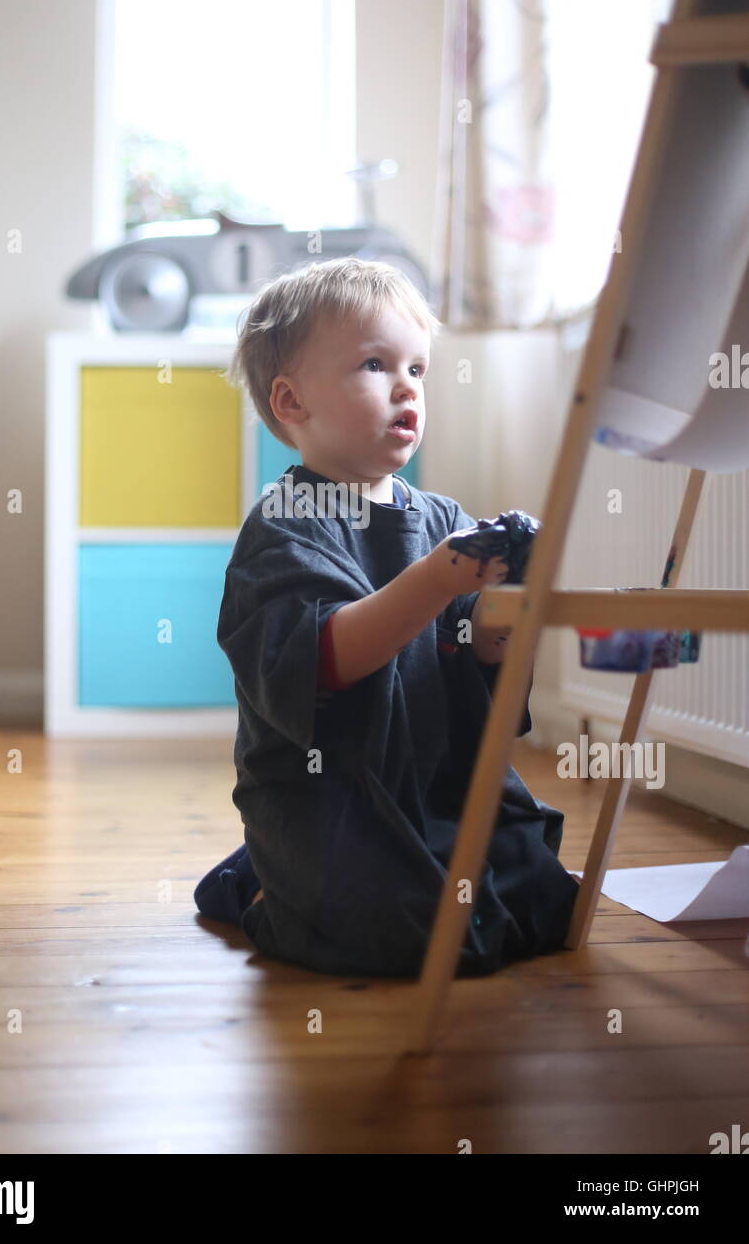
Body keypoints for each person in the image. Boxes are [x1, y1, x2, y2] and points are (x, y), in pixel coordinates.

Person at [193, 257, 579, 978]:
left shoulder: (443, 520)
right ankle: (261, 882)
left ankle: (279, 875)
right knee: (407, 933)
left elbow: (478, 664)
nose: (407, 387)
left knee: (543, 902)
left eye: (418, 369)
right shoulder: (284, 523)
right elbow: (323, 660)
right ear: (291, 402)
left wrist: (506, 607)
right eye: (375, 365)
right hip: (332, 799)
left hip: (439, 784)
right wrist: (438, 578)